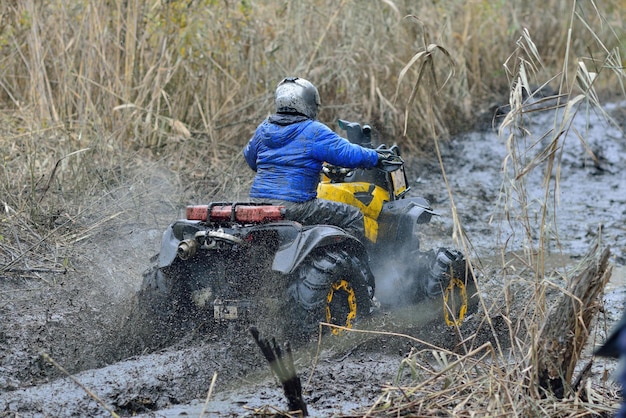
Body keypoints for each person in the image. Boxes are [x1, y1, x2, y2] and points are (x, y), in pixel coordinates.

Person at [243, 76, 388, 241]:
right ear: (308, 104)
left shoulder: (263, 129)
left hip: (257, 202)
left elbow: (250, 159)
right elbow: (347, 154)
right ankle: (355, 261)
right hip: (296, 205)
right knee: (353, 215)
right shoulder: (312, 130)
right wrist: (376, 156)